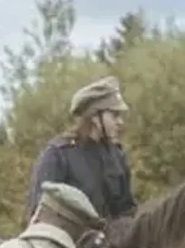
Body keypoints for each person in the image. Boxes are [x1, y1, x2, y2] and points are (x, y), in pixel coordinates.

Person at [24, 75, 137, 222]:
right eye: (114, 115)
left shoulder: (116, 155)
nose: (120, 122)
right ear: (95, 117)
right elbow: (40, 215)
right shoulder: (59, 156)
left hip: (113, 235)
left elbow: (127, 211)